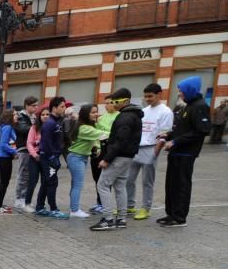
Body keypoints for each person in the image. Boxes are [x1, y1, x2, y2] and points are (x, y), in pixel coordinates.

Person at [159, 76, 211, 227]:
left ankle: (179, 217)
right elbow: (182, 129)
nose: (180, 94)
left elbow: (201, 131)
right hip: (176, 152)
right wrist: (168, 135)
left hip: (186, 153)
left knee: (181, 185)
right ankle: (171, 213)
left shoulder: (200, 106)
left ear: (190, 90)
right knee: (171, 184)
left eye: (181, 91)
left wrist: (175, 141)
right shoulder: (187, 106)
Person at [90, 88, 143, 231]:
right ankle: (121, 219)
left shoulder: (125, 117)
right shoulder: (133, 115)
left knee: (102, 184)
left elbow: (120, 140)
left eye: (116, 101)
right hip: (127, 156)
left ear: (126, 101)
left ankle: (107, 219)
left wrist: (107, 159)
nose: (113, 104)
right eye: (112, 101)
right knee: (120, 186)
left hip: (119, 156)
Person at [126, 84, 173, 221]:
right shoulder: (144, 110)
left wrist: (155, 153)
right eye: (145, 96)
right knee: (128, 179)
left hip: (151, 147)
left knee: (147, 181)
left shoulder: (165, 112)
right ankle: (129, 205)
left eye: (150, 96)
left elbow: (164, 134)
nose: (147, 99)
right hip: (137, 148)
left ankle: (146, 208)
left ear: (159, 95)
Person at [66, 104, 109, 219]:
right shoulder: (85, 128)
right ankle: (74, 210)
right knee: (78, 185)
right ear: (86, 114)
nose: (96, 114)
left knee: (75, 184)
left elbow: (95, 139)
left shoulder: (85, 126)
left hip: (80, 157)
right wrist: (100, 120)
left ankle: (73, 208)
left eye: (97, 112)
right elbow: (104, 134)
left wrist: (97, 147)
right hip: (76, 158)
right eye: (93, 112)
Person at [35, 96, 68, 219]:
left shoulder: (56, 121)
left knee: (45, 182)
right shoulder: (49, 123)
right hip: (49, 158)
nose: (64, 109)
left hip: (51, 157)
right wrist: (52, 158)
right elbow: (46, 143)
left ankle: (39, 207)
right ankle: (54, 209)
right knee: (52, 183)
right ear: (54, 108)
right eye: (62, 106)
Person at [89, 98, 118, 214]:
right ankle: (99, 202)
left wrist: (98, 123)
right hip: (96, 150)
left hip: (107, 150)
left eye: (109, 103)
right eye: (105, 103)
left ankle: (105, 204)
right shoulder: (102, 117)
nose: (106, 106)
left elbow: (111, 132)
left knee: (104, 179)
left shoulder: (118, 116)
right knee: (96, 178)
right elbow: (95, 132)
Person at [13, 96, 38, 211]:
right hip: (24, 148)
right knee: (23, 175)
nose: (36, 108)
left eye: (36, 105)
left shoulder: (34, 117)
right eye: (33, 105)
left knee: (29, 176)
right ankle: (19, 199)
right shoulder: (21, 117)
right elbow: (22, 129)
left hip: (33, 148)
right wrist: (36, 128)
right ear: (27, 106)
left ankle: (25, 198)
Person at [24, 106, 49, 213]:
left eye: (47, 114)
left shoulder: (51, 127)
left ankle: (40, 204)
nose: (45, 116)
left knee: (45, 181)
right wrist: (34, 155)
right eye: (43, 115)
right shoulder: (34, 127)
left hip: (46, 157)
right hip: (35, 157)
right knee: (33, 181)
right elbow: (29, 143)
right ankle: (27, 203)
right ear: (39, 116)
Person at [0, 109, 18, 213]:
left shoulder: (7, 126)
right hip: (4, 158)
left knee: (4, 182)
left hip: (5, 157)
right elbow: (3, 144)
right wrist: (14, 152)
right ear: (10, 116)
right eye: (15, 114)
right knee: (4, 182)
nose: (17, 116)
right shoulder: (7, 127)